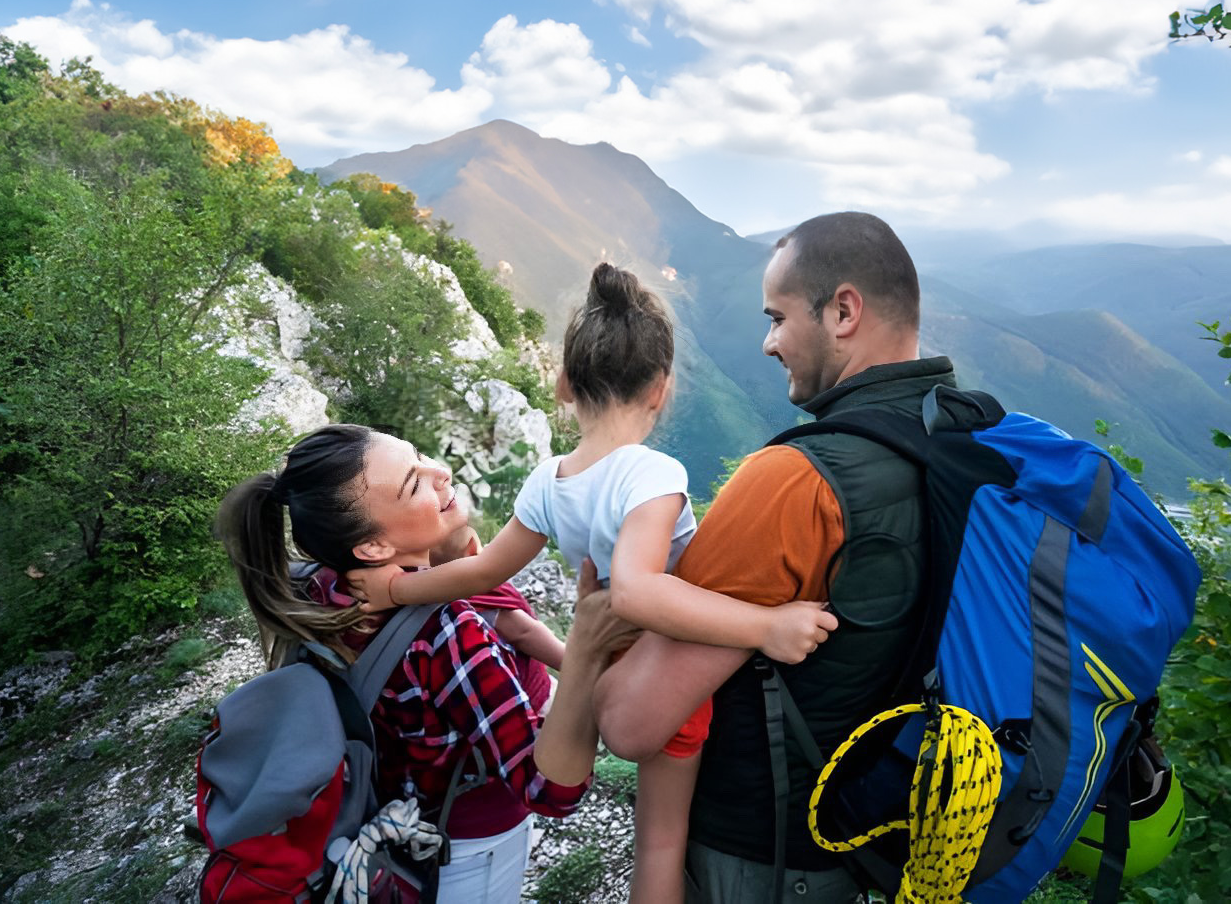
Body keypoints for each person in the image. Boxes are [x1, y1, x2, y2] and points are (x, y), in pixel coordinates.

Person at [347, 262, 839, 903]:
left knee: (652, 837)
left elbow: (485, 571)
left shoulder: (548, 479)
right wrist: (769, 627)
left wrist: (394, 590)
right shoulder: (653, 474)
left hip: (608, 671)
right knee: (664, 842)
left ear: (562, 385)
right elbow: (636, 592)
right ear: (661, 388)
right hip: (666, 676)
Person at [593, 212, 954, 902]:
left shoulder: (795, 481)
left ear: (843, 310)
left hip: (754, 856)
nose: (767, 343)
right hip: (865, 842)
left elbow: (631, 723)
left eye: (778, 317)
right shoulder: (969, 442)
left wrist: (598, 639)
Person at [216, 422, 632, 902]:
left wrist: (440, 559)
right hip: (472, 849)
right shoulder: (447, 632)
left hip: (397, 817)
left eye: (419, 455)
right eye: (415, 482)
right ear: (374, 547)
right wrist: (586, 647)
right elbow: (552, 791)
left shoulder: (319, 585)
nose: (441, 471)